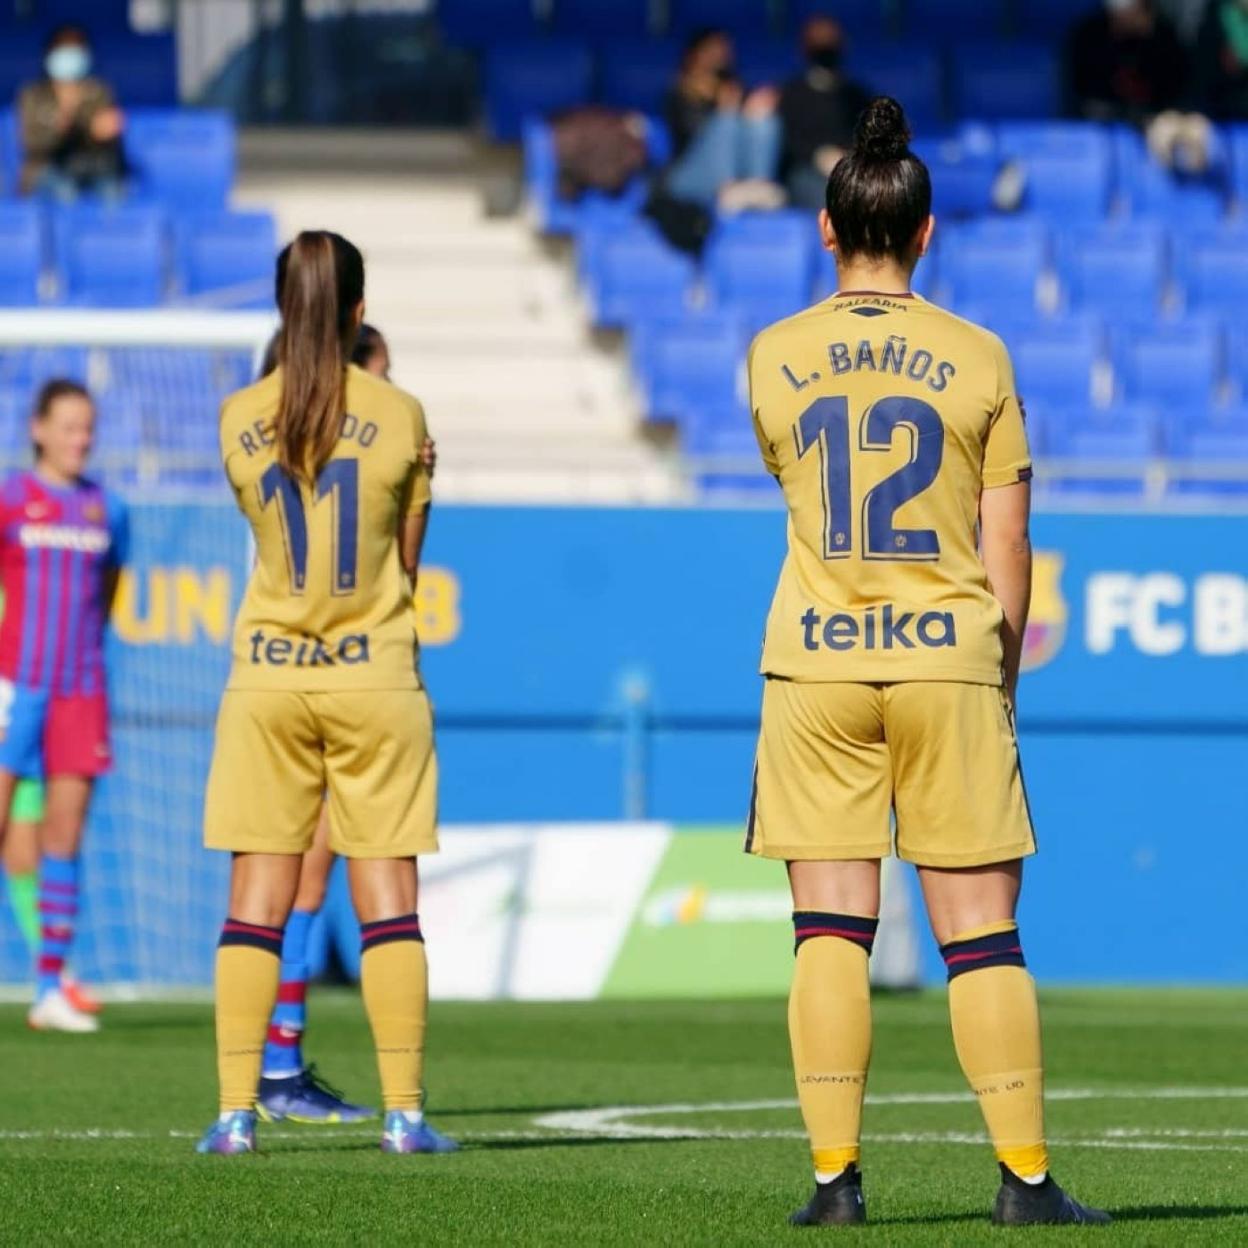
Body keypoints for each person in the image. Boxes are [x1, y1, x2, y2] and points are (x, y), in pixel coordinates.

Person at [745, 98, 1110, 1228]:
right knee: (982, 934)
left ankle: (833, 1184)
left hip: (816, 662)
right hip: (949, 654)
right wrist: (995, 680)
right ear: (927, 230)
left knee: (829, 931)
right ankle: (1026, 1183)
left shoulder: (774, 355)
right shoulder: (978, 355)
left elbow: (798, 487)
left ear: (825, 229)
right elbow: (1009, 542)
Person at [196, 231, 455, 1157]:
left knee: (254, 899)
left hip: (267, 676)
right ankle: (405, 1114)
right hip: (373, 675)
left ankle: (234, 1115)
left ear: (280, 308)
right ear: (357, 310)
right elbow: (406, 564)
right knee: (387, 896)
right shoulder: (401, 411)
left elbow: (272, 539)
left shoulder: (237, 418)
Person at [252, 320, 438, 1126]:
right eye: (382, 374)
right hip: (348, 675)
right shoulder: (368, 454)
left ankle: (275, 1063)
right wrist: (419, 487)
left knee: (294, 873)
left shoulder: (276, 438)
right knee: (322, 871)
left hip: (280, 674)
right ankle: (278, 1064)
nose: (391, 390)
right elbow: (401, 569)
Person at [0, 380, 128, 1034]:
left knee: (63, 837)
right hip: (14, 686)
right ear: (40, 429)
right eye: (70, 426)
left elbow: (106, 591)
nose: (82, 439)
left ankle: (50, 986)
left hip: (81, 690)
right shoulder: (11, 499)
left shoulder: (108, 510)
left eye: (89, 427)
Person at [3, 781, 102, 1017]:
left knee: (23, 859)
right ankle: (58, 979)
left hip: (19, 763)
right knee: (22, 859)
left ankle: (57, 977)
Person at [662, 28, 784, 212]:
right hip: (689, 174)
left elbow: (746, 134)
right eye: (711, 50)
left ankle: (759, 186)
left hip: (740, 173)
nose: (718, 56)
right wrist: (725, 109)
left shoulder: (733, 86)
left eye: (723, 50)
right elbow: (695, 135)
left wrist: (754, 108)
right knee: (726, 121)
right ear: (694, 55)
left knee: (764, 119)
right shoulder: (678, 92)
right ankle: (728, 189)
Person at [18, 25, 127, 201]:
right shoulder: (32, 96)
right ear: (50, 55)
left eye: (75, 51)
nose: (69, 58)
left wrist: (104, 133)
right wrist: (60, 126)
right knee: (65, 191)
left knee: (113, 191)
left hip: (90, 165)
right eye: (64, 51)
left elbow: (109, 138)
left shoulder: (99, 92)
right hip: (47, 167)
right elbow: (32, 144)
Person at [778, 15, 872, 212]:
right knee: (830, 200)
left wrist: (847, 158)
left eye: (831, 40)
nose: (826, 46)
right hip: (807, 170)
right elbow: (789, 142)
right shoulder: (792, 93)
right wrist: (820, 156)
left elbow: (870, 137)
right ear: (805, 47)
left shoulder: (857, 94)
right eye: (819, 41)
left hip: (851, 168)